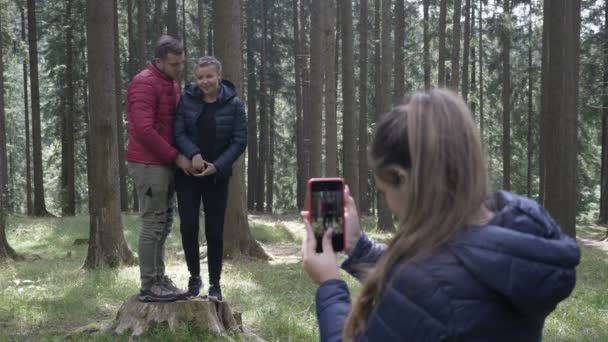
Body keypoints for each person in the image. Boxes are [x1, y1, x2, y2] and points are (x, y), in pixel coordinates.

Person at [301, 89, 580, 341]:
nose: (389, 204)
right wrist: (359, 247)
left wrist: (330, 283)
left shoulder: (426, 287)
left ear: (403, 178)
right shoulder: (514, 233)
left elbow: (430, 287)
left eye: (383, 191)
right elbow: (447, 276)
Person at [127, 35, 195, 303]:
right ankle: (149, 284)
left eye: (181, 63)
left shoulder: (170, 82)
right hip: (148, 163)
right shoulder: (144, 83)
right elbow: (144, 130)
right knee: (153, 222)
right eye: (174, 64)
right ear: (159, 61)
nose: (179, 68)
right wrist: (176, 157)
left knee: (164, 222)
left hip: (163, 162)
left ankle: (159, 277)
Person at [174, 56, 247, 302]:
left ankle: (215, 284)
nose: (205, 81)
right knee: (188, 227)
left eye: (209, 76)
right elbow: (178, 131)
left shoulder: (234, 104)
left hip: (217, 177)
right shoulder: (186, 100)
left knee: (215, 232)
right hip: (188, 175)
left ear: (219, 76)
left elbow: (239, 140)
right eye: (200, 77)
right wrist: (193, 154)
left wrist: (217, 166)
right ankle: (194, 277)